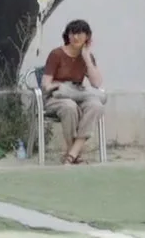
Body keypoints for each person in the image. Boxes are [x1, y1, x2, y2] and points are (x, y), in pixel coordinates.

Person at [43, 19, 107, 164]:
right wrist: (59, 86)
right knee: (69, 106)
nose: (76, 37)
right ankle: (74, 154)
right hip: (57, 97)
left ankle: (72, 153)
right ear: (67, 36)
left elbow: (96, 83)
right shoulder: (56, 54)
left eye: (80, 34)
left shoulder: (87, 57)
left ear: (87, 37)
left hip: (78, 94)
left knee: (96, 105)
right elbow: (46, 84)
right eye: (72, 33)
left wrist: (87, 58)